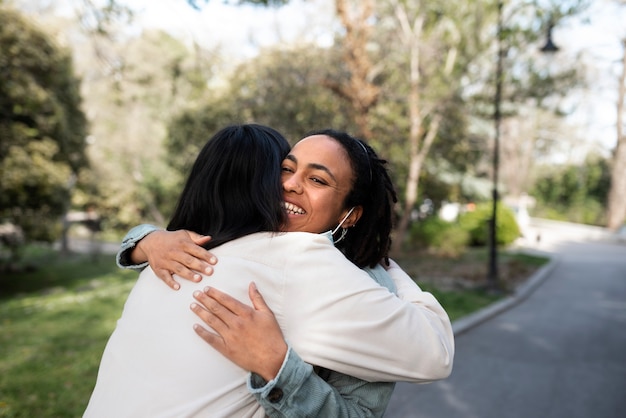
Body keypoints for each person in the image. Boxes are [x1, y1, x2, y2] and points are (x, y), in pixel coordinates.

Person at [88, 125, 453, 417]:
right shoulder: (280, 257)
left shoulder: (181, 256)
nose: (290, 184)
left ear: (350, 214)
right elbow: (436, 352)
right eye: (286, 169)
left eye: (318, 180)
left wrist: (145, 239)